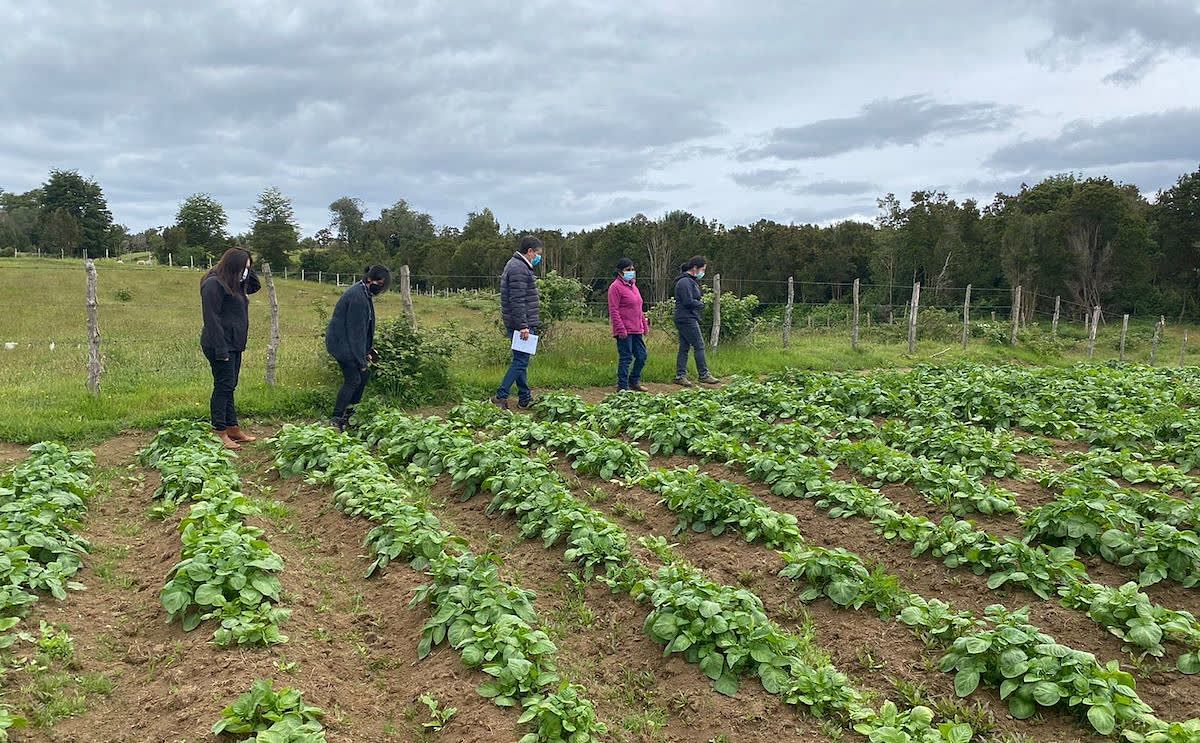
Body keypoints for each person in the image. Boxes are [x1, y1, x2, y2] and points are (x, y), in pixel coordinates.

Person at [200, 248, 261, 449]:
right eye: (244, 268)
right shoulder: (213, 284)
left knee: (230, 385)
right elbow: (212, 319)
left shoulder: (236, 283)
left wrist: (247, 262)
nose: (246, 272)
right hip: (220, 344)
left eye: (248, 268)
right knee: (223, 386)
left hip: (235, 343)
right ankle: (219, 430)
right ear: (234, 266)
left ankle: (233, 427)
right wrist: (221, 349)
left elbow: (255, 285)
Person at [325, 265, 390, 431]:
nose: (380, 288)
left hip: (348, 342)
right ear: (370, 279)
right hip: (342, 344)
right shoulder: (358, 298)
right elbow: (356, 332)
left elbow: (365, 328)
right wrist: (361, 360)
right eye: (380, 283)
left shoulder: (363, 292)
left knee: (364, 375)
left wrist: (368, 351)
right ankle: (336, 418)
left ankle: (350, 414)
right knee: (354, 378)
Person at [493, 235, 543, 410]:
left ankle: (524, 397)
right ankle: (501, 395)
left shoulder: (515, 265)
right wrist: (523, 326)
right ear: (529, 251)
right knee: (521, 361)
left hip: (519, 321)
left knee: (520, 359)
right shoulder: (519, 269)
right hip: (522, 323)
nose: (538, 257)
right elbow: (517, 300)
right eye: (537, 253)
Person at [673, 255, 720, 386]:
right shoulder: (685, 282)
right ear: (695, 268)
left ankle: (680, 375)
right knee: (699, 345)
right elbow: (688, 301)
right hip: (687, 318)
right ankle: (703, 374)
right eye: (703, 269)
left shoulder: (689, 281)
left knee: (684, 347)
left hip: (684, 317)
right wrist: (701, 304)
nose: (703, 273)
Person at [608, 257, 649, 392]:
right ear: (620, 272)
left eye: (632, 269)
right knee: (626, 358)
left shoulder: (634, 286)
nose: (631, 272)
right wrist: (621, 329)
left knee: (642, 356)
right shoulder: (615, 287)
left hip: (637, 328)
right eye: (628, 270)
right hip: (624, 330)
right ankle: (623, 386)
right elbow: (613, 310)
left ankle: (634, 381)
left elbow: (639, 307)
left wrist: (644, 324)